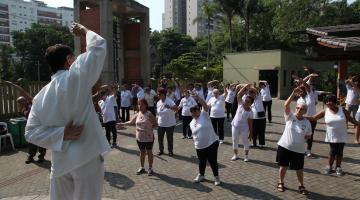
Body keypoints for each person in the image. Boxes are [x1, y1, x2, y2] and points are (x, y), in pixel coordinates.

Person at [25, 23, 110, 200]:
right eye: (73, 58)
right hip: (86, 157)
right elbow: (99, 46)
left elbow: (30, 133)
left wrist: (61, 134)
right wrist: (85, 31)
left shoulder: (39, 97)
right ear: (69, 60)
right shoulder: (75, 76)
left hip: (60, 162)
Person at [306, 95, 360, 176]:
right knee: (333, 151)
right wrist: (302, 117)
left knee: (340, 151)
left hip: (342, 135)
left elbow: (350, 119)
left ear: (335, 102)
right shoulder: (325, 111)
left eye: (330, 101)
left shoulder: (342, 110)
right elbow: (314, 118)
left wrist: (358, 124)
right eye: (326, 102)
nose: (328, 103)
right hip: (331, 135)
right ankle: (329, 166)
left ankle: (338, 167)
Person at [276, 87, 312, 195]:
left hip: (299, 150)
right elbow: (286, 105)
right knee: (283, 167)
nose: (298, 110)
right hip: (285, 147)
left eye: (301, 109)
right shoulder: (290, 116)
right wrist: (293, 93)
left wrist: (306, 138)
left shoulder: (307, 122)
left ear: (305, 111)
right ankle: (281, 182)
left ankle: (301, 185)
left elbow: (309, 135)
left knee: (299, 169)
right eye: (297, 108)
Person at [5, 80, 47, 164]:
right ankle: (30, 157)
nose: (23, 101)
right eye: (20, 101)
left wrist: (12, 84)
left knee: (42, 142)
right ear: (19, 103)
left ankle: (41, 156)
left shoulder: (32, 103)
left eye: (23, 99)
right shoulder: (23, 109)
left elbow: (23, 91)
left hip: (40, 125)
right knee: (31, 142)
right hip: (31, 127)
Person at [118, 99, 157, 176]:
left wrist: (151, 127)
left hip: (148, 137)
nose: (140, 106)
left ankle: (150, 168)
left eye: (142, 104)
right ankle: (142, 167)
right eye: (139, 104)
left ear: (146, 105)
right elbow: (131, 122)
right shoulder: (137, 114)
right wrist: (122, 124)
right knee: (142, 152)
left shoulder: (149, 114)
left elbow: (156, 123)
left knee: (149, 152)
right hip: (139, 138)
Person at [190, 91, 220, 186]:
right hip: (199, 146)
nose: (194, 113)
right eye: (192, 112)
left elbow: (204, 105)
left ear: (199, 110)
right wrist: (196, 143)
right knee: (201, 161)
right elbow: (194, 134)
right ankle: (201, 175)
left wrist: (198, 97)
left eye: (196, 111)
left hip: (211, 143)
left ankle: (216, 177)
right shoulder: (191, 123)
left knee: (212, 161)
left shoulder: (204, 115)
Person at [231, 84, 253, 162]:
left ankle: (246, 156)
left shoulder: (251, 112)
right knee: (235, 140)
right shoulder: (240, 104)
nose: (246, 102)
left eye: (248, 101)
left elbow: (250, 123)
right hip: (235, 126)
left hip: (244, 128)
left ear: (250, 103)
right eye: (245, 100)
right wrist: (246, 86)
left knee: (245, 142)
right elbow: (239, 94)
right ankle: (235, 155)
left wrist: (251, 133)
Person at [156, 88, 177, 156]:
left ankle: (170, 151)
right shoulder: (158, 102)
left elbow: (176, 109)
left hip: (169, 124)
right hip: (161, 123)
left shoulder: (170, 101)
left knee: (169, 139)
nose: (158, 95)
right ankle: (161, 150)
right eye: (158, 94)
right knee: (160, 138)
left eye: (159, 94)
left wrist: (170, 107)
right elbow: (158, 113)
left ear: (163, 94)